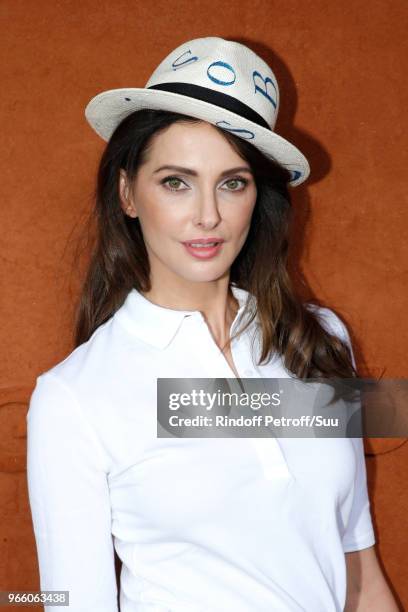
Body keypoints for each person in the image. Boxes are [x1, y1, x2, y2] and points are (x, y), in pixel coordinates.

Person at [26, 37, 398, 611]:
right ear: (127, 192)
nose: (208, 215)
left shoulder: (318, 340)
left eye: (232, 182)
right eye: (176, 181)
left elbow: (358, 575)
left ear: (259, 197)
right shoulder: (74, 396)